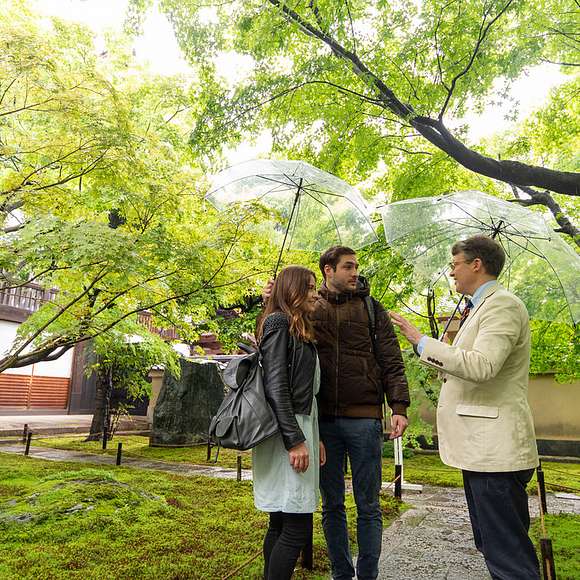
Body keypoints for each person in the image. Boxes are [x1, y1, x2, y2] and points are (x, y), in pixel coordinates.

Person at [390, 235, 540, 580]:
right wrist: (441, 350)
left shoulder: (502, 305)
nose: (451, 272)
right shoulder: (479, 307)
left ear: (477, 264)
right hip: (481, 450)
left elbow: (482, 366)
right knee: (492, 545)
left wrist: (421, 342)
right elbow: (468, 366)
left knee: (508, 556)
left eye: (455, 264)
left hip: (494, 453)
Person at [264, 246, 410, 580]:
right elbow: (278, 346)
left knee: (369, 505)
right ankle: (341, 574)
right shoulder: (308, 307)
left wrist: (398, 406)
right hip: (322, 423)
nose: (355, 272)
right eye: (348, 266)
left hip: (365, 419)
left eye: (356, 266)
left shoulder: (372, 308)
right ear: (328, 270)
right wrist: (270, 301)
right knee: (332, 505)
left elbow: (391, 360)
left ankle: (368, 574)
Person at [253, 265, 325, 580]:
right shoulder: (279, 322)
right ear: (291, 290)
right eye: (309, 287)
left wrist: (314, 437)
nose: (315, 294)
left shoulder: (296, 326)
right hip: (287, 433)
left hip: (298, 428)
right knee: (296, 527)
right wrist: (295, 440)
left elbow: (305, 391)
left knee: (281, 522)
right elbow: (276, 386)